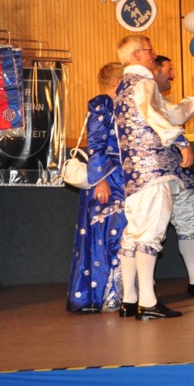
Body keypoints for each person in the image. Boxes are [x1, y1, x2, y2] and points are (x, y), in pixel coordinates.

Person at [114, 36, 194, 320]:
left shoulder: (124, 86)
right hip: (153, 169)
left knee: (133, 235)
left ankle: (129, 299)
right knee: (150, 234)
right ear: (136, 55)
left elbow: (169, 112)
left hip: (134, 172)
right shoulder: (143, 83)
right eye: (150, 51)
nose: (153, 56)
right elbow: (155, 116)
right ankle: (148, 301)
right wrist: (181, 141)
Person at [66, 62, 129, 313]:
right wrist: (100, 180)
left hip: (119, 177)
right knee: (112, 232)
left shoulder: (116, 106)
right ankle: (109, 293)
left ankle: (119, 291)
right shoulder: (103, 104)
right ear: (117, 83)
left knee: (119, 231)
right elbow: (95, 143)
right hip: (109, 179)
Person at [152, 55, 194, 297]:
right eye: (169, 70)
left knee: (187, 219)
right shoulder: (149, 97)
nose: (173, 75)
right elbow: (177, 114)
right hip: (157, 171)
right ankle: (146, 285)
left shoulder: (158, 98)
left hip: (177, 170)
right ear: (155, 70)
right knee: (153, 224)